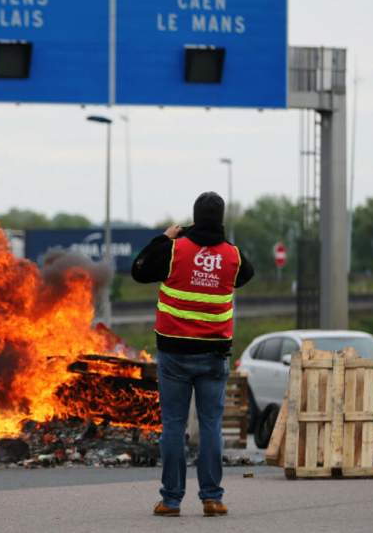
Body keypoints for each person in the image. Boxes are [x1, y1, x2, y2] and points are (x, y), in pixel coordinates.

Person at [131, 192, 254, 518]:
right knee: (211, 426)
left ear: (194, 218)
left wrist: (165, 237)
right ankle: (212, 498)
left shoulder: (174, 250)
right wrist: (218, 240)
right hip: (213, 354)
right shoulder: (233, 256)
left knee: (173, 426)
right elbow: (247, 273)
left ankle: (171, 501)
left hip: (174, 355)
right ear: (221, 219)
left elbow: (139, 270)